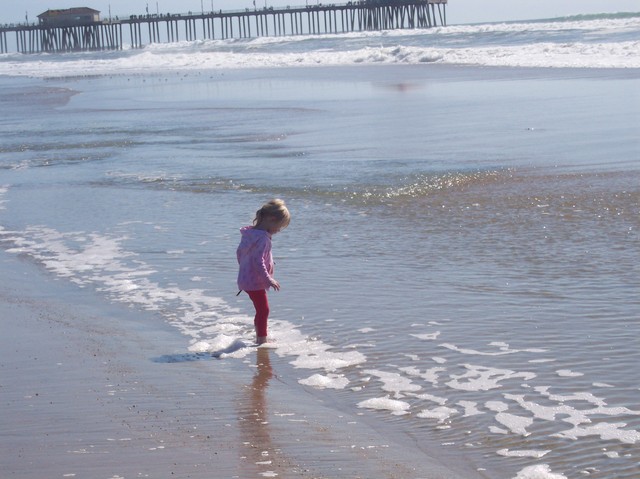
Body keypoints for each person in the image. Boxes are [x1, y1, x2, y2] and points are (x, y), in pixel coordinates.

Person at [237, 199, 291, 345]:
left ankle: (260, 336)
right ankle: (261, 340)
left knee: (261, 309)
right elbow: (257, 260)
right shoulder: (263, 239)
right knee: (264, 310)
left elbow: (241, 253)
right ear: (270, 219)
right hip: (255, 281)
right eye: (279, 227)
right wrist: (268, 279)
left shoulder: (250, 234)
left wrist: (245, 269)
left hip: (246, 279)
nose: (278, 230)